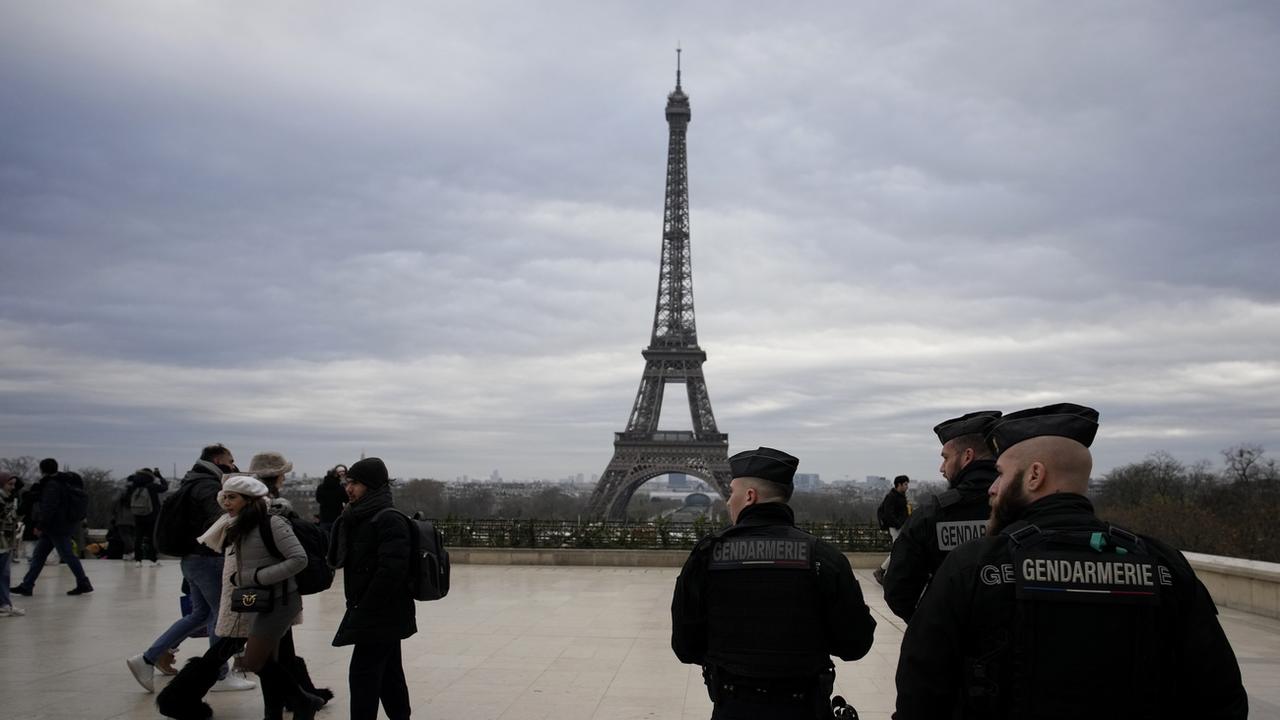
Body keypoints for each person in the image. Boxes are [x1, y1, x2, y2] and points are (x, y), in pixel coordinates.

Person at [893, 403, 1249, 718]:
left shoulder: (974, 567)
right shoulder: (1162, 565)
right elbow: (1220, 696)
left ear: (1035, 475)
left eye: (1001, 474)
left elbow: (920, 694)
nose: (992, 487)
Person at [672, 447, 877, 719]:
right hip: (804, 706)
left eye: (731, 493)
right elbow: (855, 645)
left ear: (749, 496)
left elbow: (686, 647)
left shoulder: (707, 556)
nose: (728, 501)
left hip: (734, 705)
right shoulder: (823, 557)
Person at [158, 474, 321, 720]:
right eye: (223, 497)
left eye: (231, 497)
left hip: (276, 601)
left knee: (255, 660)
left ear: (249, 499)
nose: (225, 502)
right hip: (250, 600)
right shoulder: (233, 525)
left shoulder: (271, 524)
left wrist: (257, 577)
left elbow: (298, 559)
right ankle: (291, 705)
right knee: (266, 659)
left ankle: (302, 701)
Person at [127, 444, 256, 693]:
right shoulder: (208, 486)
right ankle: (219, 675)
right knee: (220, 615)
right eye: (230, 461)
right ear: (218, 460)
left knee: (199, 615)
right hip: (208, 557)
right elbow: (220, 518)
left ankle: (147, 658)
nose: (233, 465)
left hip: (192, 558)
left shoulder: (191, 481)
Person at [883, 411, 1001, 621]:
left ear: (967, 456)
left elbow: (898, 589)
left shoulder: (933, 513)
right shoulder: (1022, 507)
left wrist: (931, 626)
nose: (941, 468)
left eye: (946, 458)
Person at [327, 457, 415, 720]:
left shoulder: (388, 519)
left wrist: (364, 608)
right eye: (347, 482)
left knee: (363, 676)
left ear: (372, 486)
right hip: (375, 610)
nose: (348, 488)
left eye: (354, 483)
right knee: (389, 674)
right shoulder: (360, 517)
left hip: (379, 612)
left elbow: (392, 571)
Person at [250, 450, 335, 713]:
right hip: (271, 589)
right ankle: (299, 698)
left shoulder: (252, 506)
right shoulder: (274, 508)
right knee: (271, 653)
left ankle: (295, 700)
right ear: (278, 477)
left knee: (268, 654)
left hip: (260, 589)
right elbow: (297, 557)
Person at [10, 458, 93, 596]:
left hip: (56, 527)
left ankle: (83, 582)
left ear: (42, 469)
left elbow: (49, 507)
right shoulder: (63, 482)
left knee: (67, 555)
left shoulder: (52, 485)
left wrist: (40, 525)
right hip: (58, 526)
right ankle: (27, 585)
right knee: (39, 556)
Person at [872, 474, 910, 585]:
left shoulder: (899, 496)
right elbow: (889, 514)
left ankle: (884, 571)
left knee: (899, 550)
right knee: (898, 551)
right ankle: (881, 570)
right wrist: (899, 524)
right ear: (899, 485)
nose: (907, 487)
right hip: (895, 528)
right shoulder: (892, 497)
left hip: (900, 527)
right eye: (905, 484)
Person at [127, 467, 168, 566]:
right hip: (151, 515)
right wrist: (160, 476)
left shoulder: (134, 486)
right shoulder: (151, 486)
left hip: (138, 516)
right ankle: (152, 559)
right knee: (151, 538)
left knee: (138, 538)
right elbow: (164, 487)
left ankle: (138, 560)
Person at [0, 472, 25, 616]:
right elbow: (7, 518)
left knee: (4, 573)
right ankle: (4, 604)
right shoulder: (4, 499)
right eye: (10, 484)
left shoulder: (9, 498)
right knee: (3, 574)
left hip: (6, 540)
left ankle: (5, 603)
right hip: (2, 541)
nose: (12, 487)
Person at [314, 464, 347, 534]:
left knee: (324, 539)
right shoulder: (340, 488)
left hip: (324, 517)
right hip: (336, 517)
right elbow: (346, 499)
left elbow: (318, 499)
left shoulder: (320, 487)